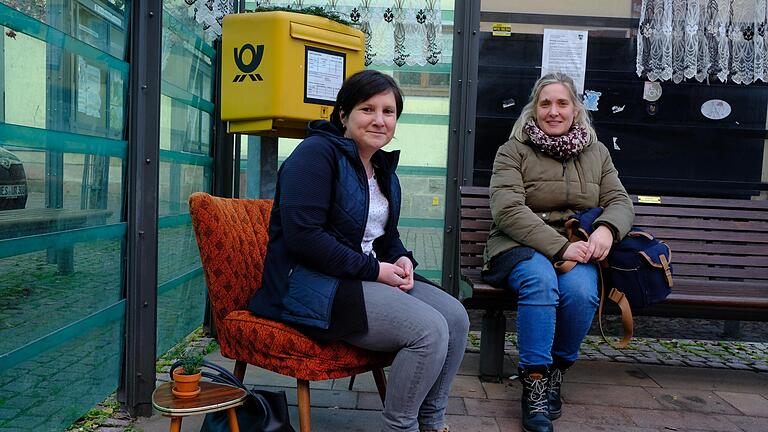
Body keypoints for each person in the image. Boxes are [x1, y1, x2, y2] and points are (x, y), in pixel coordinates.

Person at [248, 69, 469, 432]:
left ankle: (433, 421)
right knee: (428, 330)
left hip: (359, 275)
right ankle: (400, 427)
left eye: (389, 111)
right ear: (343, 115)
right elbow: (305, 237)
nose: (379, 120)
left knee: (456, 318)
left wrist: (400, 259)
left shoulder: (382, 168)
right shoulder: (315, 155)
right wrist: (375, 270)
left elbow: (385, 237)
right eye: (368, 109)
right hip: (307, 284)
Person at [481, 72, 634, 432]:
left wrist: (606, 229)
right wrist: (561, 247)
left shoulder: (597, 153)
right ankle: (534, 381)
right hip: (518, 245)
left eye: (562, 103)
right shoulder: (513, 151)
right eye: (545, 103)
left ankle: (555, 372)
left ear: (576, 109)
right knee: (540, 279)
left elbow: (620, 201)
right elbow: (507, 210)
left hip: (577, 245)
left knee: (581, 292)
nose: (553, 111)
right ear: (533, 109)